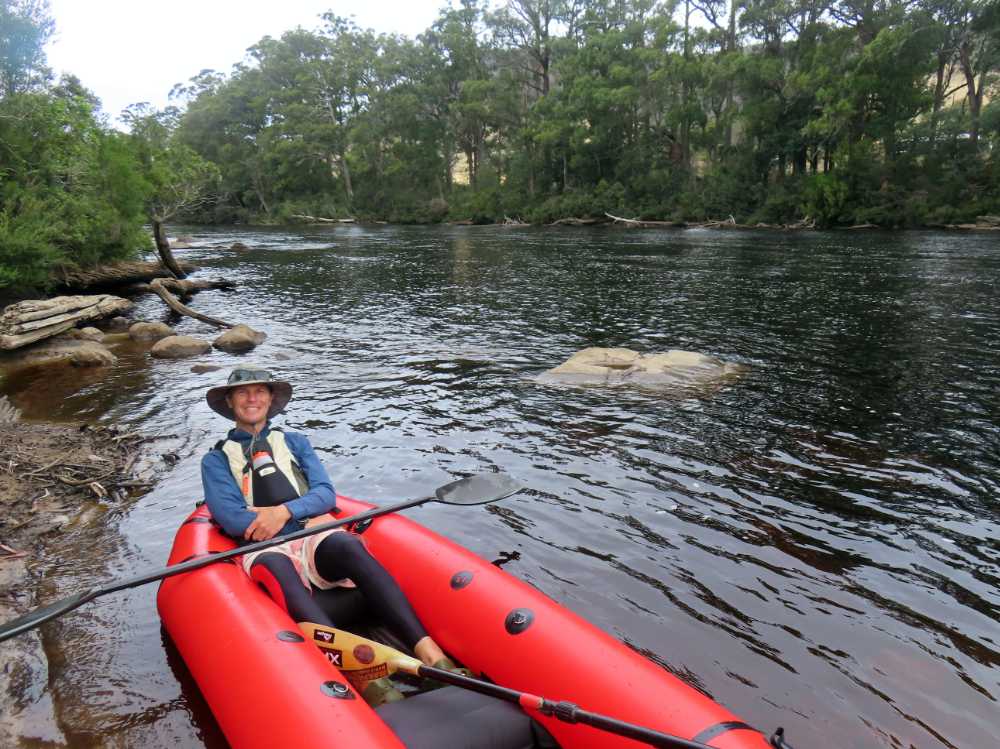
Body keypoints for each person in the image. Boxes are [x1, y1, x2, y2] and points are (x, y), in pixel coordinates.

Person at [200, 367, 456, 705]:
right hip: (264, 547)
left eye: (260, 391)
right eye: (243, 393)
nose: (252, 398)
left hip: (311, 531)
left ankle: (433, 655)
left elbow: (326, 495)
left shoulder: (294, 442)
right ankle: (362, 678)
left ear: (270, 399)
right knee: (279, 569)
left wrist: (282, 512)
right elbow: (234, 521)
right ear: (231, 402)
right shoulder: (216, 460)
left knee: (346, 544)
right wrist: (296, 511)